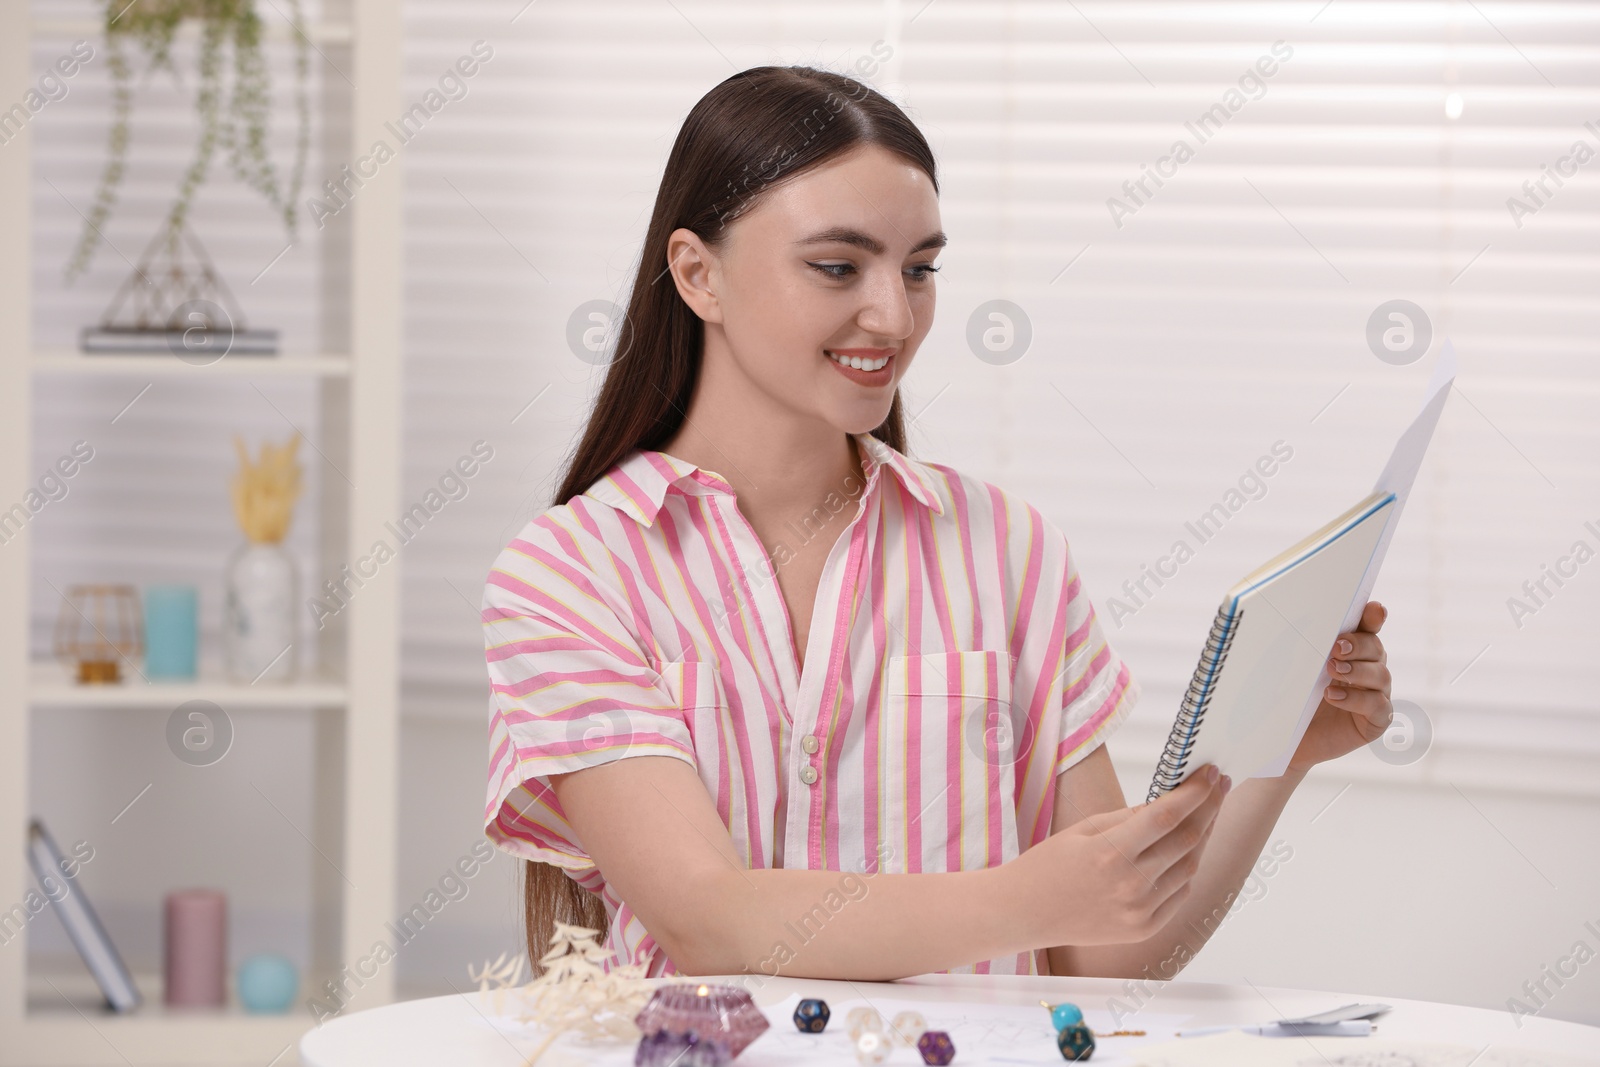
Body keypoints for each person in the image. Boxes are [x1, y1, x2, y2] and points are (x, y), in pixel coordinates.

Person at [481, 65, 1393, 983]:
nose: (894, 314)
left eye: (919, 270)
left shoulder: (1006, 550)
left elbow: (1108, 954)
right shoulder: (570, 575)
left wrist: (1283, 749)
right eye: (838, 266)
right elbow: (708, 917)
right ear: (697, 273)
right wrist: (1030, 896)